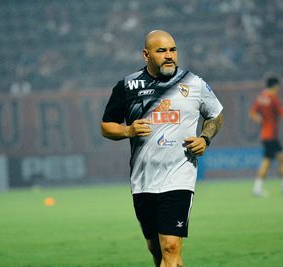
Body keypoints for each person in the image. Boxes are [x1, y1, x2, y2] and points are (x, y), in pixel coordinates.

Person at [101, 30, 223, 267]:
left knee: (171, 246)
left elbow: (215, 115)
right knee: (156, 250)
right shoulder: (128, 86)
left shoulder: (193, 83)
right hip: (143, 180)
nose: (169, 56)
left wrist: (205, 138)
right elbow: (106, 127)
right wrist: (128, 131)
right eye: (162, 51)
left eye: (173, 50)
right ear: (146, 54)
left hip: (179, 176)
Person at [249, 73, 283, 197]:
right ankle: (257, 188)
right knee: (267, 161)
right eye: (279, 86)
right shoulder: (273, 98)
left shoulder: (261, 97)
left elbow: (252, 112)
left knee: (281, 158)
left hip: (267, 135)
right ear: (275, 85)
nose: (279, 88)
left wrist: (259, 119)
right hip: (270, 135)